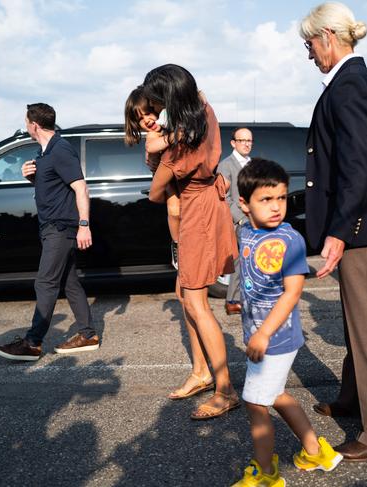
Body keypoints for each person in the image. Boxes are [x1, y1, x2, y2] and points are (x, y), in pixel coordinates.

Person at [300, 2, 367, 461]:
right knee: (352, 317)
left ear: (328, 37)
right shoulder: (354, 81)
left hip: (359, 227)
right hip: (360, 224)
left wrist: (340, 230)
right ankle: (353, 398)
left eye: (309, 44)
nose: (309, 55)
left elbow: (357, 167)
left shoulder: (349, 85)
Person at [231, 158, 342, 487]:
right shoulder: (246, 231)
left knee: (254, 401)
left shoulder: (289, 240)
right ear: (244, 204)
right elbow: (247, 270)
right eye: (266, 199)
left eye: (280, 197)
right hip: (260, 333)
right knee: (276, 394)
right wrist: (235, 298)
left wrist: (263, 334)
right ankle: (315, 451)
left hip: (276, 337)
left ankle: (266, 475)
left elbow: (292, 293)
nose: (276, 206)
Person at [144, 64, 240, 419]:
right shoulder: (203, 112)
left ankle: (225, 389)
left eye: (159, 100)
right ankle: (201, 372)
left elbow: (155, 191)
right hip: (201, 204)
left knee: (197, 300)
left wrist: (159, 146)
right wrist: (165, 136)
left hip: (197, 211)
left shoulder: (183, 142)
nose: (156, 108)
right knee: (185, 293)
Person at [0, 103, 99, 361]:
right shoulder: (45, 153)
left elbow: (81, 189)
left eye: (26, 122)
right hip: (51, 227)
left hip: (60, 228)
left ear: (34, 125)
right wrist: (33, 177)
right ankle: (87, 335)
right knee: (69, 282)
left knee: (45, 282)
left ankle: (32, 343)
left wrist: (84, 225)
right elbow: (55, 187)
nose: (26, 126)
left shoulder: (60, 150)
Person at [124, 87, 181, 269]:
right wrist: (173, 138)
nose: (146, 120)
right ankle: (177, 244)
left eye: (148, 113)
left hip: (180, 175)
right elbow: (151, 148)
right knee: (174, 209)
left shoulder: (172, 121)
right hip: (168, 178)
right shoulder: (154, 133)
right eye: (140, 119)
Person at [218, 127, 253, 316]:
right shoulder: (226, 165)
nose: (247, 144)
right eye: (242, 140)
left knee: (254, 260)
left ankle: (250, 297)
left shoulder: (252, 164)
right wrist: (240, 220)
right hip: (240, 221)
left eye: (249, 140)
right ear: (233, 143)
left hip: (256, 219)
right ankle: (233, 300)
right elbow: (224, 197)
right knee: (240, 261)